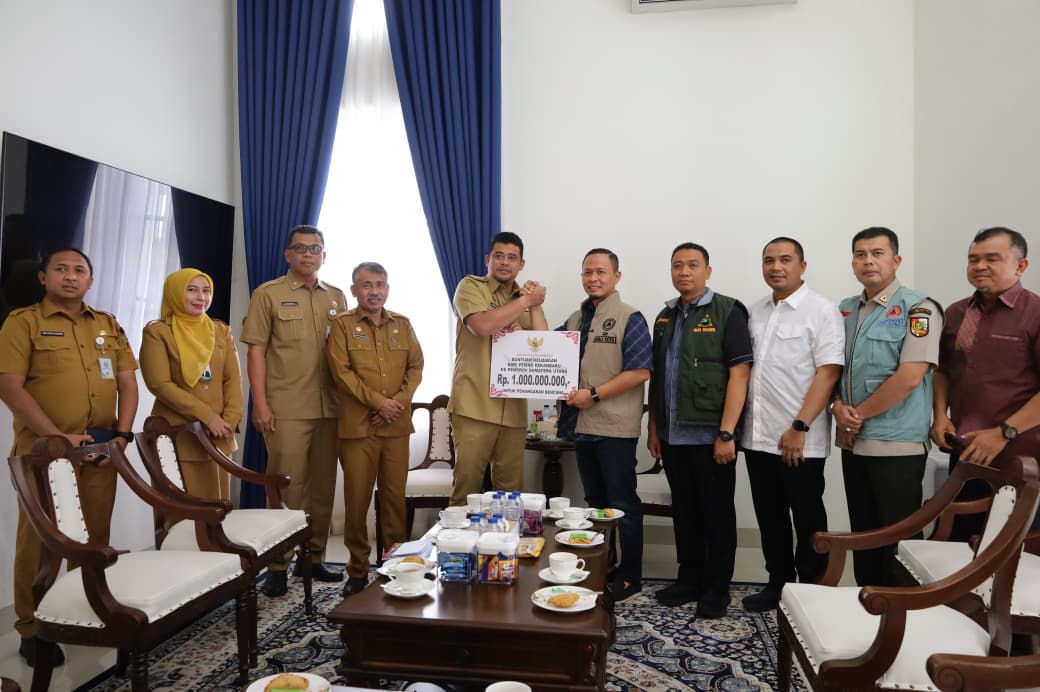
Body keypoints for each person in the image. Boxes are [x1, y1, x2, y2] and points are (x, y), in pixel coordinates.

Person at [0, 248, 138, 667]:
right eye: (61, 269)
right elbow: (9, 386)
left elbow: (129, 383)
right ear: (44, 278)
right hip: (45, 455)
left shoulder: (109, 325)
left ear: (90, 281)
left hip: (100, 451)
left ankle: (83, 613)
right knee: (41, 542)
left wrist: (122, 435)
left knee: (94, 538)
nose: (71, 277)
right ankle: (33, 626)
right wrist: (57, 437)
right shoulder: (23, 323)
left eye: (80, 270)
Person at [241, 225, 348, 596]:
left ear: (323, 256)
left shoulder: (336, 297)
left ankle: (314, 559)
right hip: (286, 407)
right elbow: (255, 351)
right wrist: (261, 404)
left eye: (315, 248)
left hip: (331, 408)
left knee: (322, 487)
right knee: (287, 488)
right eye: (300, 248)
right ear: (288, 255)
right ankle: (277, 564)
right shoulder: (267, 294)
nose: (308, 254)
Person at [833, 227, 943, 586]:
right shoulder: (845, 310)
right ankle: (867, 605)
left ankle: (906, 617)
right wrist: (836, 407)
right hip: (853, 442)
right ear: (852, 263)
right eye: (861, 254)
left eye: (878, 253)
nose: (868, 261)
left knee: (899, 540)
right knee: (863, 536)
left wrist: (856, 416)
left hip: (897, 443)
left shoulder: (919, 308)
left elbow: (910, 376)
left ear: (896, 260)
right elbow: (833, 370)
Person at [647, 242, 753, 618]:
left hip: (711, 436)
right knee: (685, 512)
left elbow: (740, 373)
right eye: (677, 265)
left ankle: (716, 588)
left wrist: (727, 433)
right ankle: (687, 579)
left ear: (708, 270)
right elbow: (657, 378)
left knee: (717, 513)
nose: (684, 272)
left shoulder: (728, 311)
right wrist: (654, 428)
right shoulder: (664, 316)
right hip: (673, 435)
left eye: (693, 265)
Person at [740, 237, 844, 612]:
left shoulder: (821, 310)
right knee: (769, 515)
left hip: (799, 439)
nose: (776, 267)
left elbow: (828, 373)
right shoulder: (755, 312)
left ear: (802, 265)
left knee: (807, 516)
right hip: (758, 436)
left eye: (785, 259)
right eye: (768, 260)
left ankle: (814, 590)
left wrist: (800, 426)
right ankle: (778, 583)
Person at [931, 227, 1040, 537]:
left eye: (992, 258)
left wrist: (1005, 432)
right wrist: (939, 415)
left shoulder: (1035, 313)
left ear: (1021, 266)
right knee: (958, 546)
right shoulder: (955, 312)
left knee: (1012, 555)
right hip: (965, 454)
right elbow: (943, 371)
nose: (979, 266)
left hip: (1021, 460)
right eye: (973, 259)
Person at [557, 249, 651, 602]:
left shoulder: (631, 317)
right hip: (582, 426)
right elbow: (547, 348)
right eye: (587, 272)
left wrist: (594, 395)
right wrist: (532, 305)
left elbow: (640, 371)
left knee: (621, 502)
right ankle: (603, 566)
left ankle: (631, 576)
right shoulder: (577, 317)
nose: (593, 278)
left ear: (616, 276)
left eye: (600, 272)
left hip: (614, 427)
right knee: (594, 502)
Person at [328, 262, 424, 595]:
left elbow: (415, 368)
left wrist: (396, 402)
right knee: (356, 502)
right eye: (367, 285)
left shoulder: (403, 324)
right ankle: (356, 571)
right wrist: (378, 403)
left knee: (394, 501)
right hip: (358, 429)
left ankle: (394, 566)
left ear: (387, 288)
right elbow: (341, 373)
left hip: (396, 428)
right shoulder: (341, 326)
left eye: (380, 284)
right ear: (355, 290)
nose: (374, 291)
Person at [447, 231, 548, 506]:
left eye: (512, 258)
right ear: (487, 259)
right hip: (474, 406)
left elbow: (544, 344)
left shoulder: (522, 297)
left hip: (513, 410)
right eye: (499, 256)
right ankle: (458, 548)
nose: (504, 262)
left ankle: (502, 548)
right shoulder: (470, 287)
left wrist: (534, 306)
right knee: (467, 490)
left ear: (521, 264)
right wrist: (524, 303)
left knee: (509, 496)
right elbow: (480, 326)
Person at [140, 268, 242, 499]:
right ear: (175, 293)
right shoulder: (158, 332)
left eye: (206, 291)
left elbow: (233, 379)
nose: (201, 297)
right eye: (192, 290)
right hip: (178, 435)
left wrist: (230, 419)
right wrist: (207, 417)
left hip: (219, 436)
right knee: (182, 517)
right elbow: (160, 384)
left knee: (218, 510)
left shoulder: (221, 331)